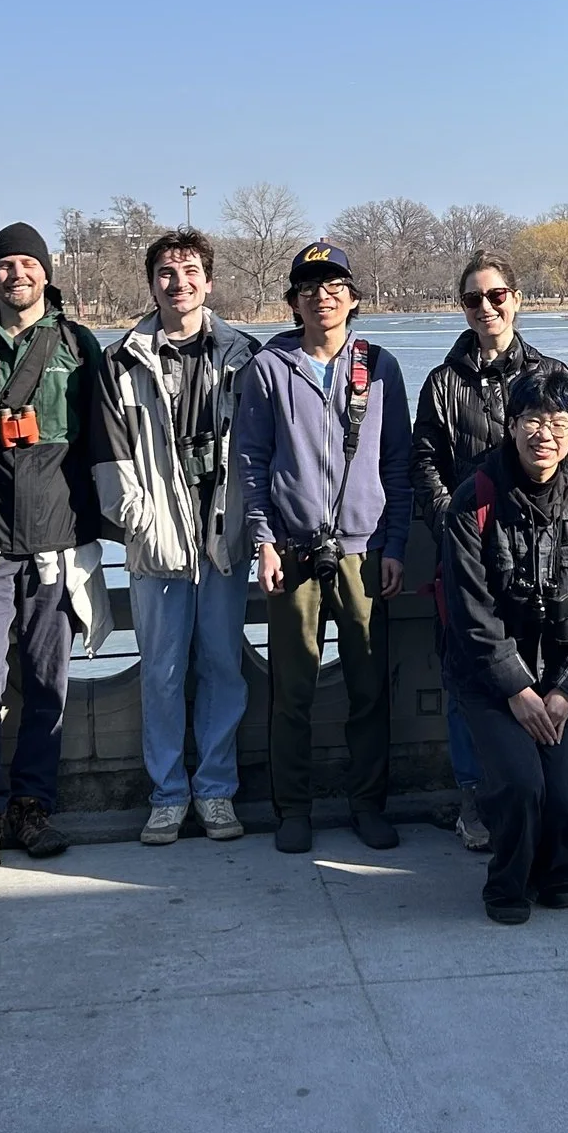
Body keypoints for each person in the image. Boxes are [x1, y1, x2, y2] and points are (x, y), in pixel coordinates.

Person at [0, 223, 111, 871]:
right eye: (5, 264)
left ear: (45, 271)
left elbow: (102, 443)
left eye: (27, 263)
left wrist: (107, 522)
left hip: (56, 541)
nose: (17, 274)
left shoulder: (78, 344)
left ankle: (34, 805)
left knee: (48, 683)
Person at [235, 241, 414, 855]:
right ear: (294, 301)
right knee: (293, 690)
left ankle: (368, 803)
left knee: (369, 685)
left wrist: (394, 544)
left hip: (363, 550)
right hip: (292, 549)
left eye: (335, 284)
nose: (323, 296)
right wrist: (262, 541)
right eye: (309, 287)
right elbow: (252, 461)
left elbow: (398, 464)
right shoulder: (268, 368)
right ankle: (294, 808)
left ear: (354, 298)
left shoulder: (380, 365)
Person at [93, 228, 258, 847]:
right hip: (157, 538)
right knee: (160, 671)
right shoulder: (121, 361)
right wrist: (139, 520)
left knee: (222, 666)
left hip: (221, 534)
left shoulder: (244, 355)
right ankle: (167, 795)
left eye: (191, 272)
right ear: (152, 282)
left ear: (209, 282)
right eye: (167, 272)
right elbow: (109, 457)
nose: (179, 283)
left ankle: (215, 792)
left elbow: (259, 450)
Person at [440, 367, 568, 922]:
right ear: (512, 425)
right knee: (521, 786)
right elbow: (472, 611)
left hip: (561, 677)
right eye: (533, 421)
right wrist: (516, 687)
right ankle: (507, 885)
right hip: (491, 682)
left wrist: (567, 690)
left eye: (559, 425)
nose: (545, 435)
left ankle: (556, 872)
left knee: (564, 797)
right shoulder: (474, 502)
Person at [411, 251, 567, 853]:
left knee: (540, 664)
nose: (487, 308)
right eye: (474, 299)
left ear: (517, 298)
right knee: (467, 673)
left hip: (541, 550)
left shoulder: (549, 373)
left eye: (497, 295)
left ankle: (541, 784)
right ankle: (476, 792)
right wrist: (452, 520)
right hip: (469, 550)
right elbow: (423, 461)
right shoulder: (443, 381)